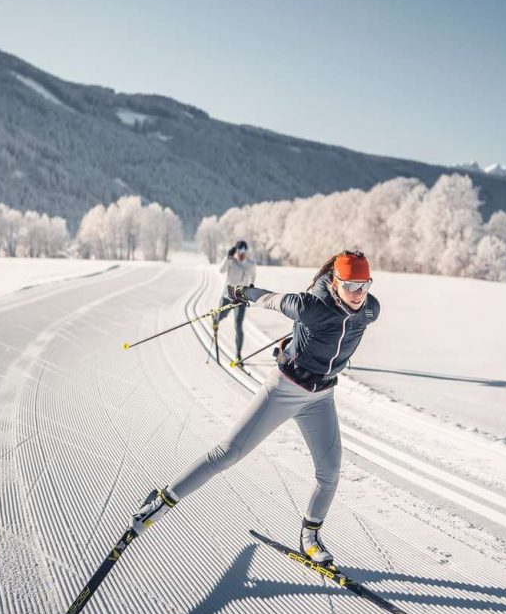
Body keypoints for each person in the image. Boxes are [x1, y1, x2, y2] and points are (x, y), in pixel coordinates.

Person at [130, 250, 379, 567]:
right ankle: (162, 500)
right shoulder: (310, 306)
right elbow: (270, 299)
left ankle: (309, 537)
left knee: (329, 473)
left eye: (364, 285)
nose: (358, 294)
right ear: (334, 282)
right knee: (228, 453)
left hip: (321, 398)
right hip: (285, 389)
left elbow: (343, 333)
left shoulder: (370, 310)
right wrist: (239, 293)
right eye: (351, 286)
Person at [217, 240, 257, 361]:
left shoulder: (251, 264)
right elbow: (221, 270)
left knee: (238, 325)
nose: (241, 254)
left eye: (244, 252)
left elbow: (253, 277)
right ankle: (215, 321)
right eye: (239, 252)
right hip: (227, 296)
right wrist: (228, 257)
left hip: (240, 299)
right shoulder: (231, 261)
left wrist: (251, 285)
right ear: (236, 252)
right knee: (220, 317)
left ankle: (238, 354)